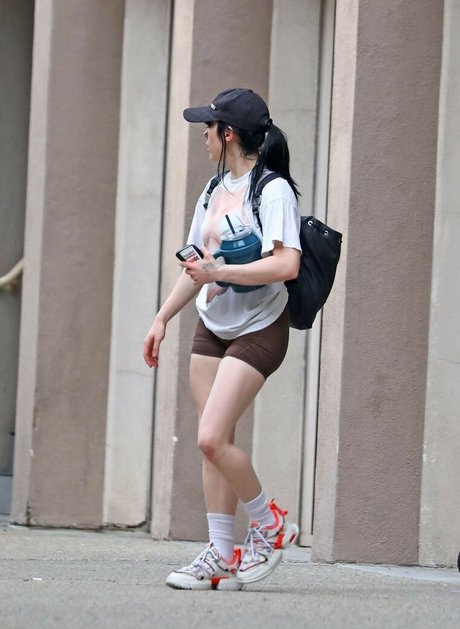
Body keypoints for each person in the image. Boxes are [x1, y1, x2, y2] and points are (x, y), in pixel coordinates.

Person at [143, 88, 301, 591]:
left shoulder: (272, 191)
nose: (203, 137)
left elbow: (286, 264)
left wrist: (222, 271)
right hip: (213, 324)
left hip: (260, 326)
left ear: (227, 134)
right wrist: (162, 318)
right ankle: (221, 554)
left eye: (207, 128)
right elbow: (196, 264)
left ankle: (271, 525)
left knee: (210, 437)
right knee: (215, 446)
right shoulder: (213, 190)